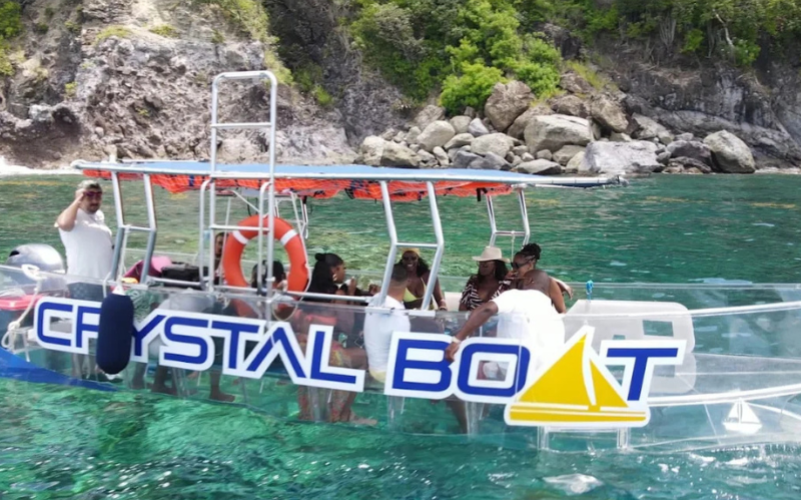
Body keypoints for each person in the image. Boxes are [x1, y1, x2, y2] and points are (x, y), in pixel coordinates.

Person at [445, 270, 566, 376]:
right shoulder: (554, 315)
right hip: (542, 374)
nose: (519, 283)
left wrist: (457, 340)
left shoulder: (516, 296)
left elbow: (487, 309)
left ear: (529, 281)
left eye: (521, 280)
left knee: (461, 367)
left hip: (513, 372)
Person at [55, 180, 113, 302]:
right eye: (90, 195)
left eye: (98, 196)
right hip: (82, 281)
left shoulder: (98, 217)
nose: (95, 201)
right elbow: (64, 224)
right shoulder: (74, 215)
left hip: (103, 281)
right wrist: (78, 200)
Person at [363, 264, 410, 383]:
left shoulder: (375, 300)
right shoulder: (399, 315)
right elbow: (403, 353)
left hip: (373, 366)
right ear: (408, 281)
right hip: (389, 373)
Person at [510, 243, 572, 314]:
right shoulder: (514, 282)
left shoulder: (549, 283)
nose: (513, 269)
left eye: (516, 266)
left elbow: (562, 312)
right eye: (512, 265)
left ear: (530, 265)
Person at [459, 246, 511, 312]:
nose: (482, 266)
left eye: (486, 264)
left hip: (496, 321)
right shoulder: (473, 282)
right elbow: (463, 305)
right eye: (480, 263)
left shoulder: (505, 285)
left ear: (496, 265)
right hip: (471, 320)